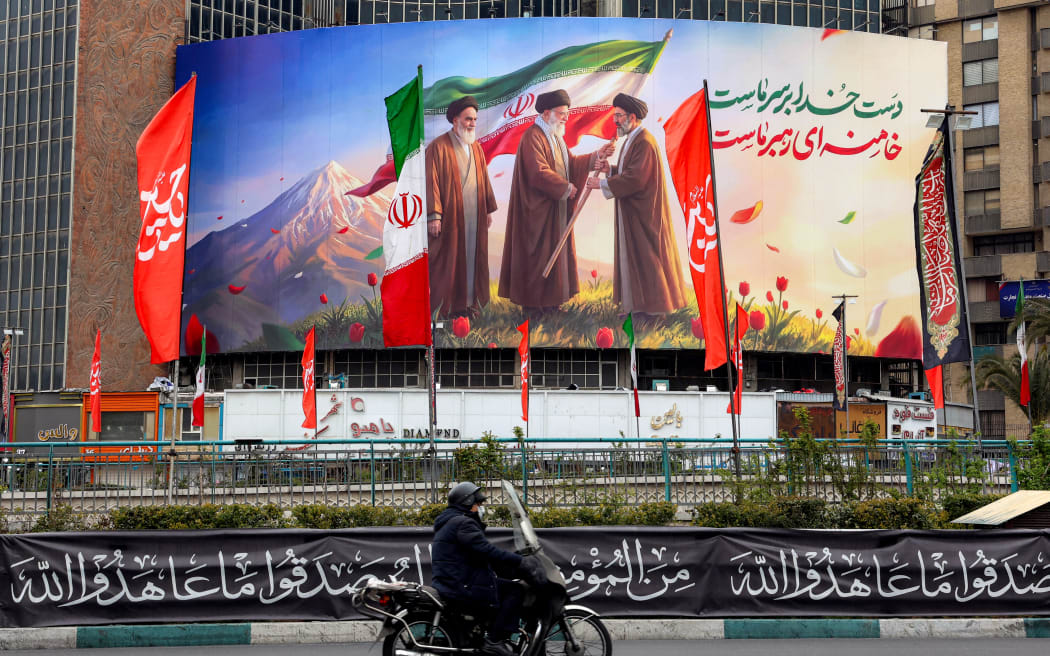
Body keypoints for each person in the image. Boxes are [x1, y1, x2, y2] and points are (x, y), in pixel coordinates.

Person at [498, 89, 613, 315]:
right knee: (537, 257)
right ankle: (533, 307)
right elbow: (537, 172)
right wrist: (564, 187)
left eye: (566, 114)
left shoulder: (555, 138)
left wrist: (595, 157)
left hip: (554, 211)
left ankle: (551, 304)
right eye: (561, 113)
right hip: (536, 214)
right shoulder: (533, 137)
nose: (565, 118)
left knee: (555, 255)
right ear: (547, 113)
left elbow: (571, 164)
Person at [587, 93, 687, 317]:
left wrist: (601, 183)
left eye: (619, 116)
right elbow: (628, 172)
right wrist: (609, 171)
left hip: (644, 215)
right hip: (634, 212)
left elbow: (636, 179)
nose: (616, 121)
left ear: (632, 117)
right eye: (615, 116)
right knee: (636, 260)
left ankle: (655, 313)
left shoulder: (644, 141)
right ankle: (639, 309)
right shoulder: (633, 139)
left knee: (648, 261)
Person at [432, 482, 545, 656]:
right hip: (461, 584)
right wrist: (520, 562)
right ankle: (494, 641)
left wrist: (511, 565)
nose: (481, 508)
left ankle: (489, 634)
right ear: (467, 503)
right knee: (516, 590)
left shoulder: (452, 521)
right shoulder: (463, 523)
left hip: (455, 580)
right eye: (478, 504)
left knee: (502, 585)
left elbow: (480, 555)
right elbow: (487, 550)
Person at [426, 96, 499, 318]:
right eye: (468, 119)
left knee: (474, 260)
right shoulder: (438, 147)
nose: (472, 124)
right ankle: (446, 311)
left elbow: (483, 178)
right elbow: (431, 182)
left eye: (475, 119)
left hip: (474, 217)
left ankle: (469, 306)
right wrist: (434, 215)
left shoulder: (475, 147)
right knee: (447, 263)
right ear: (455, 120)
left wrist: (487, 208)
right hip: (450, 219)